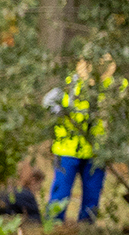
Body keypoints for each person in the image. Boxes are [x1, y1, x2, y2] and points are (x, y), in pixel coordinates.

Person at [47, 56, 110, 222]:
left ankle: (86, 230)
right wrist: (57, 108)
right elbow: (48, 102)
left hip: (97, 153)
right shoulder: (68, 86)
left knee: (92, 196)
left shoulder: (109, 89)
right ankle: (53, 227)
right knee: (60, 194)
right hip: (67, 150)